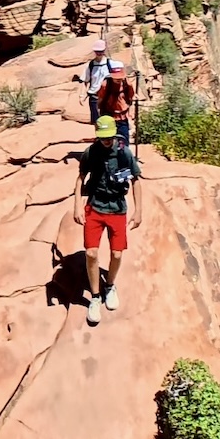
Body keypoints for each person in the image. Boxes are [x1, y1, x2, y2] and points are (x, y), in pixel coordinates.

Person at [71, 115, 141, 327]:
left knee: (117, 253)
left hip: (117, 207)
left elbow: (136, 180)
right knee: (91, 253)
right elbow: (81, 178)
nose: (106, 141)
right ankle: (95, 296)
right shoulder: (91, 152)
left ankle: (109, 285)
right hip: (95, 206)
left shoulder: (123, 153)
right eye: (102, 137)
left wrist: (139, 211)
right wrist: (77, 205)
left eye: (109, 137)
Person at [95, 60, 136, 146]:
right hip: (109, 115)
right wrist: (100, 114)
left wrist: (131, 113)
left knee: (124, 141)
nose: (118, 79)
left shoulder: (127, 84)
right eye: (116, 78)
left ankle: (124, 157)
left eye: (120, 77)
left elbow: (130, 98)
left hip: (122, 117)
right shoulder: (105, 85)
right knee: (108, 140)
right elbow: (100, 99)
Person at [81, 39, 109, 125]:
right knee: (96, 121)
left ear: (104, 50)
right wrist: (82, 95)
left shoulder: (110, 63)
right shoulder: (90, 65)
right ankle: (99, 137)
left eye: (101, 51)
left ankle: (108, 137)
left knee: (107, 119)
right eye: (97, 51)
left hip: (107, 96)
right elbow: (85, 81)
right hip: (94, 96)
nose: (99, 53)